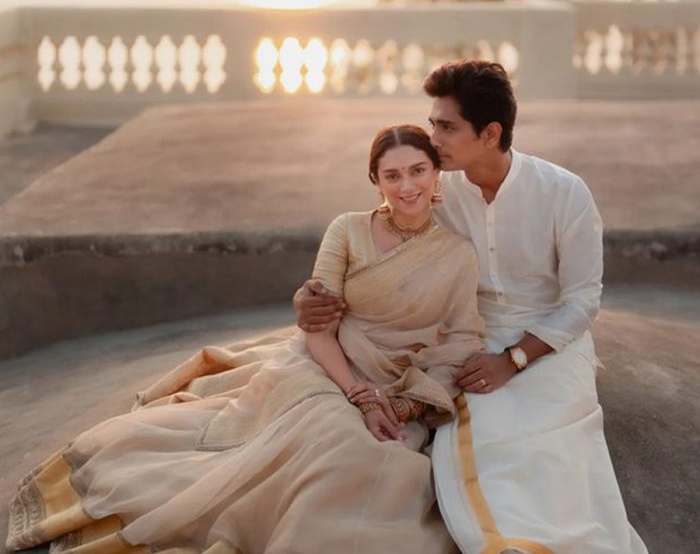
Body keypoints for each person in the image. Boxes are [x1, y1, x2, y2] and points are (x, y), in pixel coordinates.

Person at [6, 125, 484, 554]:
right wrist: (359, 396)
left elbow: (463, 337)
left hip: (399, 384)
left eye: (418, 171)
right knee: (332, 436)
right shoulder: (348, 230)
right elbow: (318, 328)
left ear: (437, 173)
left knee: (381, 461)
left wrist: (401, 406)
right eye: (393, 175)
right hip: (327, 365)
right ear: (375, 180)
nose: (408, 186)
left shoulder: (457, 254)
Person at [296, 60, 648, 554]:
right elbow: (379, 234)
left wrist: (515, 359)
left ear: (489, 133)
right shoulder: (437, 190)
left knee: (553, 439)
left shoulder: (564, 192)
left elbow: (583, 300)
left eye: (446, 126)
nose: (432, 136)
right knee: (479, 436)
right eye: (433, 122)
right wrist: (311, 295)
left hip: (547, 338)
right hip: (462, 336)